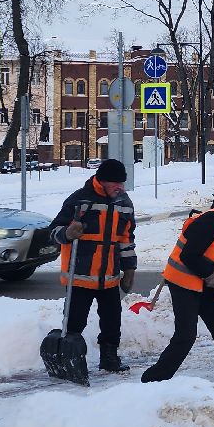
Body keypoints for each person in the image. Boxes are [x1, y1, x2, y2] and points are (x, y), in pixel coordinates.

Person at [141, 184, 214, 383]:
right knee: (186, 335)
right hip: (183, 282)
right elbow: (189, 255)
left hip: (204, 284)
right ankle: (153, 380)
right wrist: (209, 272)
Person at [48, 158, 137, 373]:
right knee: (75, 322)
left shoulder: (123, 203)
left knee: (112, 321)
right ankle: (68, 358)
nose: (121, 188)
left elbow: (126, 238)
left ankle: (109, 358)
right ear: (103, 181)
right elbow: (53, 232)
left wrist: (130, 268)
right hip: (80, 276)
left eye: (122, 184)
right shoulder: (79, 200)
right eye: (116, 183)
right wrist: (67, 233)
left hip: (109, 276)